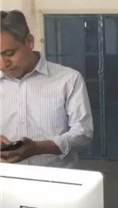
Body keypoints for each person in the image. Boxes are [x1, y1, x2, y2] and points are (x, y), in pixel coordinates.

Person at [0, 9, 93, 168]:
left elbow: (83, 134)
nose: (3, 64)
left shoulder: (68, 79)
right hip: (5, 177)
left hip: (55, 178)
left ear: (29, 42)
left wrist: (38, 148)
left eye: (9, 53)